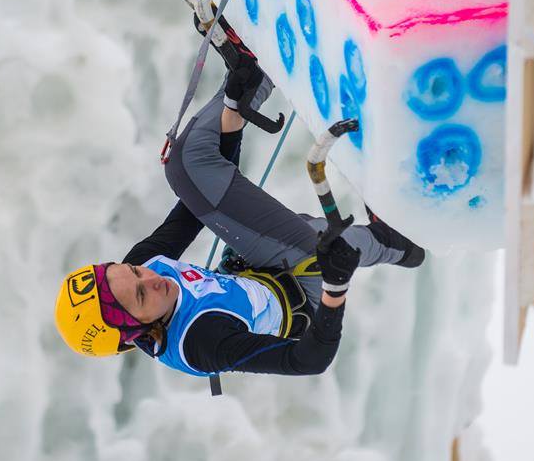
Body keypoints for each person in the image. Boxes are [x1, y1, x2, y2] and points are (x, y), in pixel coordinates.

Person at [53, 19, 425, 379]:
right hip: (307, 293)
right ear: (138, 332)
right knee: (187, 168)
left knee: (191, 172)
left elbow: (198, 208)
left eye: (133, 271)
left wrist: (232, 119)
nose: (149, 278)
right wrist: (335, 287)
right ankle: (398, 243)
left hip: (261, 266)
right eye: (140, 296)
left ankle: (247, 79)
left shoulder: (144, 268)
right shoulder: (200, 343)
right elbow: (307, 361)